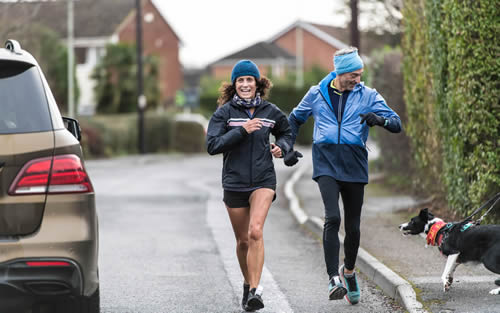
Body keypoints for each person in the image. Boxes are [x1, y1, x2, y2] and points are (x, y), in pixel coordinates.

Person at [287, 47, 402, 305]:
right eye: (353, 75)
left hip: (354, 164)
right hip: (326, 161)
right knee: (332, 217)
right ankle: (332, 279)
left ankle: (348, 272)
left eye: (360, 75)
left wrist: (379, 120)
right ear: (340, 73)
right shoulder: (316, 93)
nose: (357, 80)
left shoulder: (368, 95)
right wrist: (287, 146)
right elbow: (294, 119)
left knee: (353, 225)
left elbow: (396, 123)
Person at [206, 60, 295, 311]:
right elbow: (212, 145)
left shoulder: (270, 111)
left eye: (249, 80)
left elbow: (286, 133)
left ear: (258, 84)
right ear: (234, 85)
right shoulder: (224, 114)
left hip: (264, 180)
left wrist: (282, 148)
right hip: (234, 182)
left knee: (256, 231)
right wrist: (242, 131)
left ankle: (256, 290)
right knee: (243, 241)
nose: (245, 84)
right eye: (240, 80)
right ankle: (247, 284)